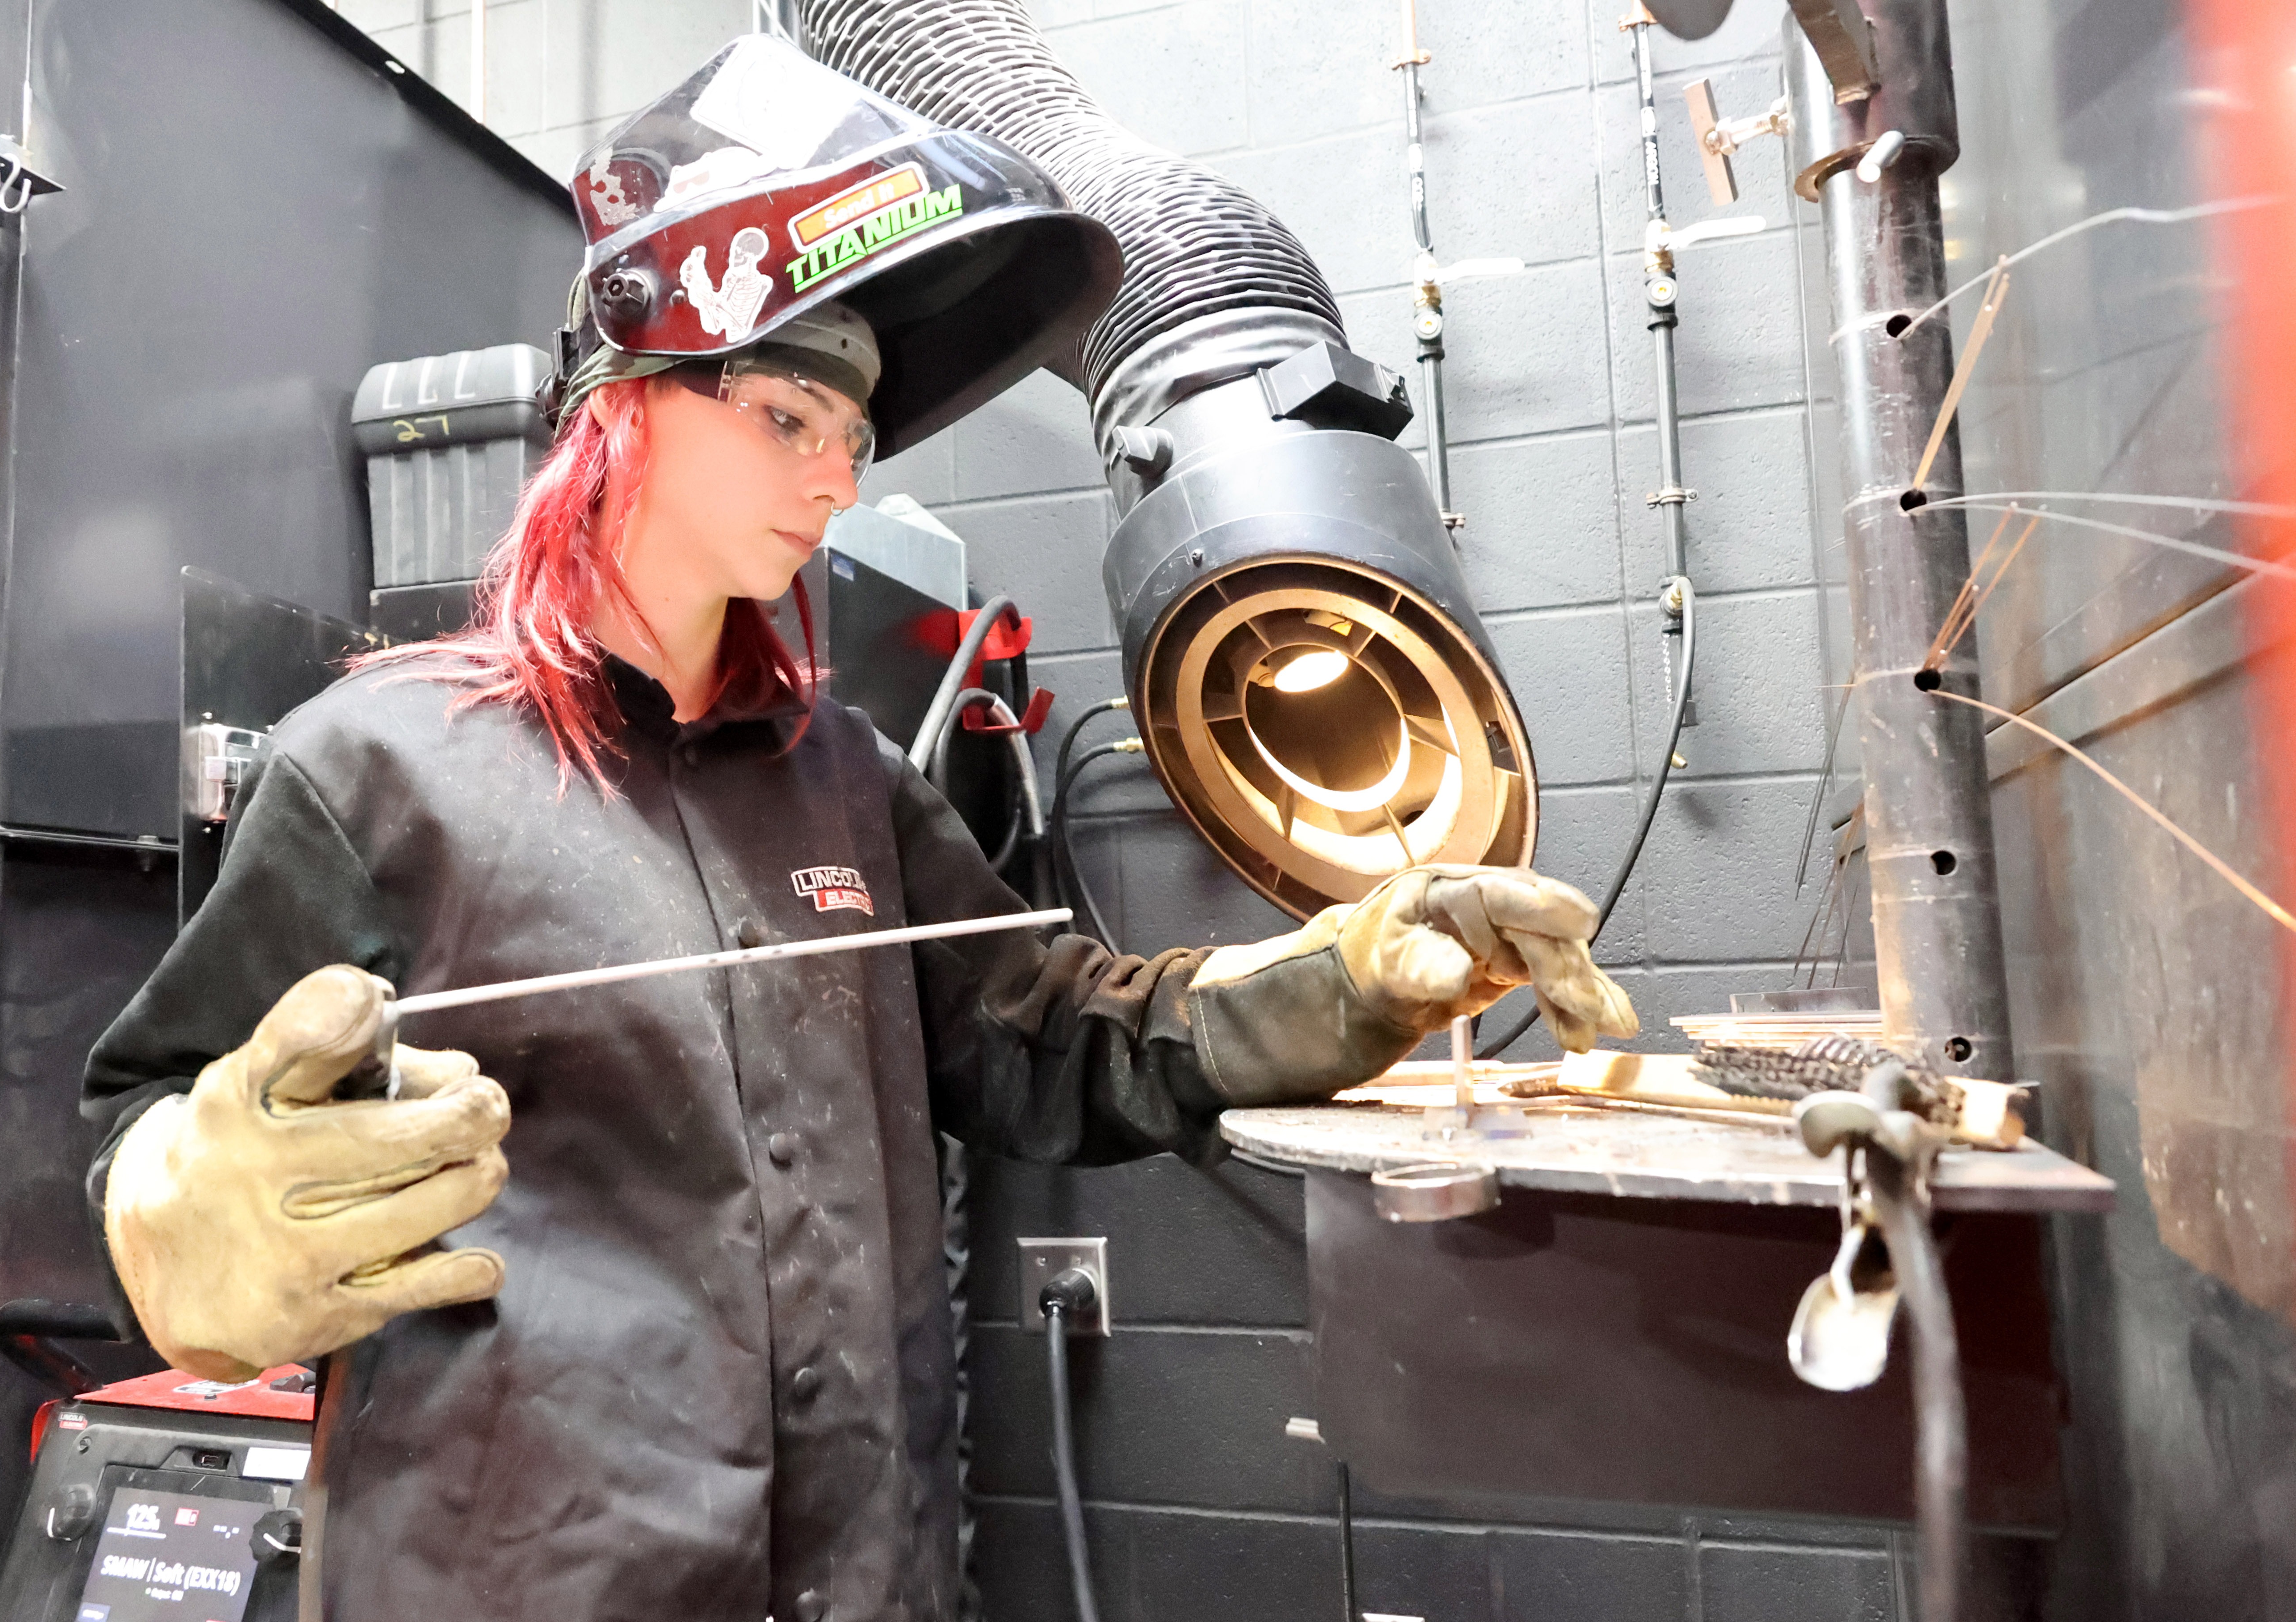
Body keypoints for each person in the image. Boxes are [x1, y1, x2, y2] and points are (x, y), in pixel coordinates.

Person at [82, 38, 1636, 1622]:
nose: (831, 476)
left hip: (862, 1579)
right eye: (783, 416)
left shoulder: (849, 780)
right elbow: (146, 1117)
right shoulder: (377, 768)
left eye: (856, 434)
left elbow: (1058, 1041)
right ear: (622, 410)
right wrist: (177, 1215)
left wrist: (1361, 978)